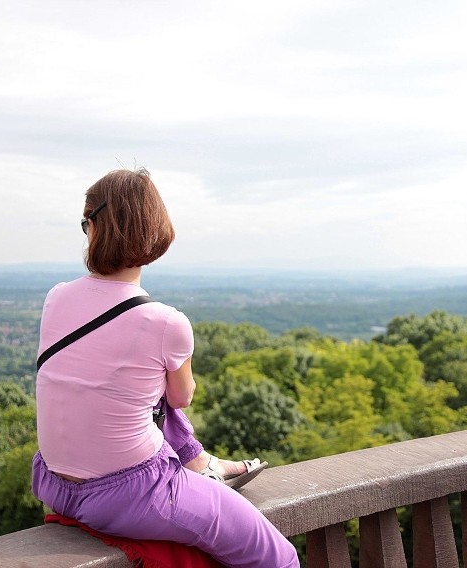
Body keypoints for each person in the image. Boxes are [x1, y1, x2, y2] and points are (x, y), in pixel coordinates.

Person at [31, 168, 299, 568]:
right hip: (129, 494)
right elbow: (180, 398)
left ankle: (203, 465)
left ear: (92, 228)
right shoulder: (166, 322)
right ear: (156, 231)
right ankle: (203, 464)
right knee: (279, 557)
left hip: (52, 482)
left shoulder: (55, 298)